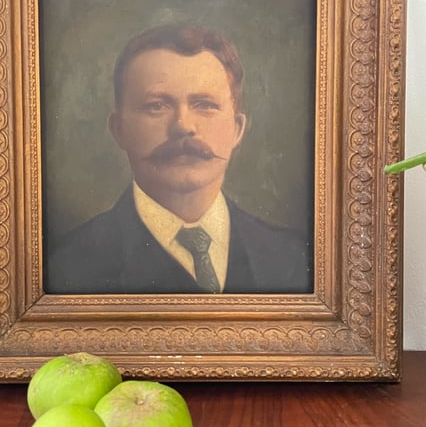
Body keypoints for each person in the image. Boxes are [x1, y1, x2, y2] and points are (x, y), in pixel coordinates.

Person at [46, 22, 312, 295]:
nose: (183, 125)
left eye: (205, 105)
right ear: (119, 130)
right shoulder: (65, 267)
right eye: (156, 106)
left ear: (237, 129)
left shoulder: (295, 259)